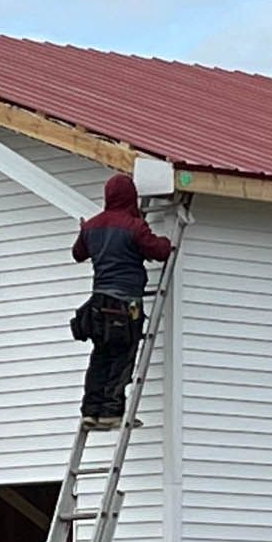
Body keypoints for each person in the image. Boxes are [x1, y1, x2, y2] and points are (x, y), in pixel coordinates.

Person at [71, 173, 173, 429]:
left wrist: (84, 231)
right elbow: (159, 252)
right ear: (131, 196)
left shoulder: (92, 226)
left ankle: (90, 411)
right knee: (122, 357)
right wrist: (166, 241)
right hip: (125, 303)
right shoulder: (134, 226)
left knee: (100, 356)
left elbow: (78, 253)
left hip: (98, 303)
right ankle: (111, 412)